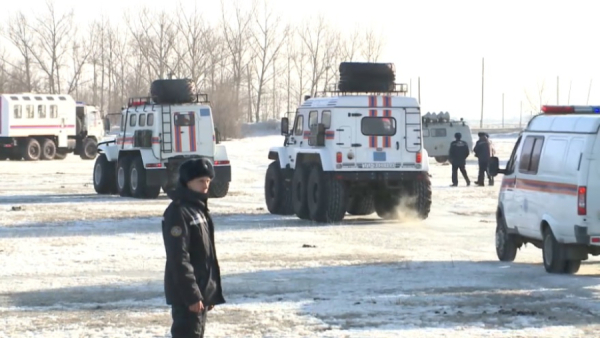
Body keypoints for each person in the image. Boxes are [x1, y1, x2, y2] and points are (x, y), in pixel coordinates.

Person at [162, 158, 225, 338]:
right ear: (187, 182)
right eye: (200, 181)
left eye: (207, 181)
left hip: (199, 294)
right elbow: (179, 257)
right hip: (186, 296)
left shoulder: (198, 209)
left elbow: (206, 256)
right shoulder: (178, 212)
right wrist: (192, 295)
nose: (205, 186)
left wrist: (208, 293)